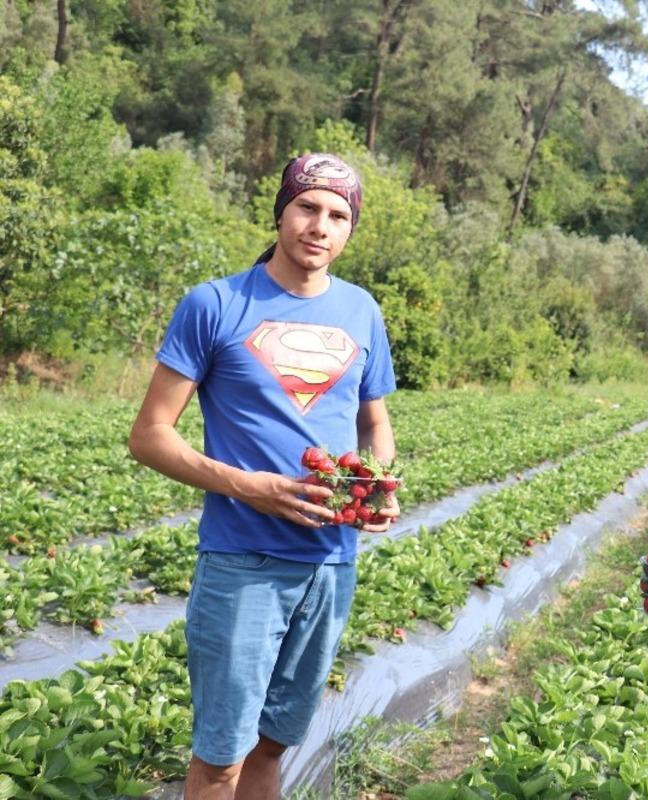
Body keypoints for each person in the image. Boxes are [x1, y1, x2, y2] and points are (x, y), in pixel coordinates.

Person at [128, 153, 398, 800]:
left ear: (350, 229)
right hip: (243, 560)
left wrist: (377, 484)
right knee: (221, 757)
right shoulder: (216, 304)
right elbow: (149, 436)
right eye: (307, 207)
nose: (319, 225)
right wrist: (254, 488)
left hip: (332, 561)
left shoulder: (362, 312)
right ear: (280, 211)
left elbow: (375, 426)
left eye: (338, 215)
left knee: (273, 745)